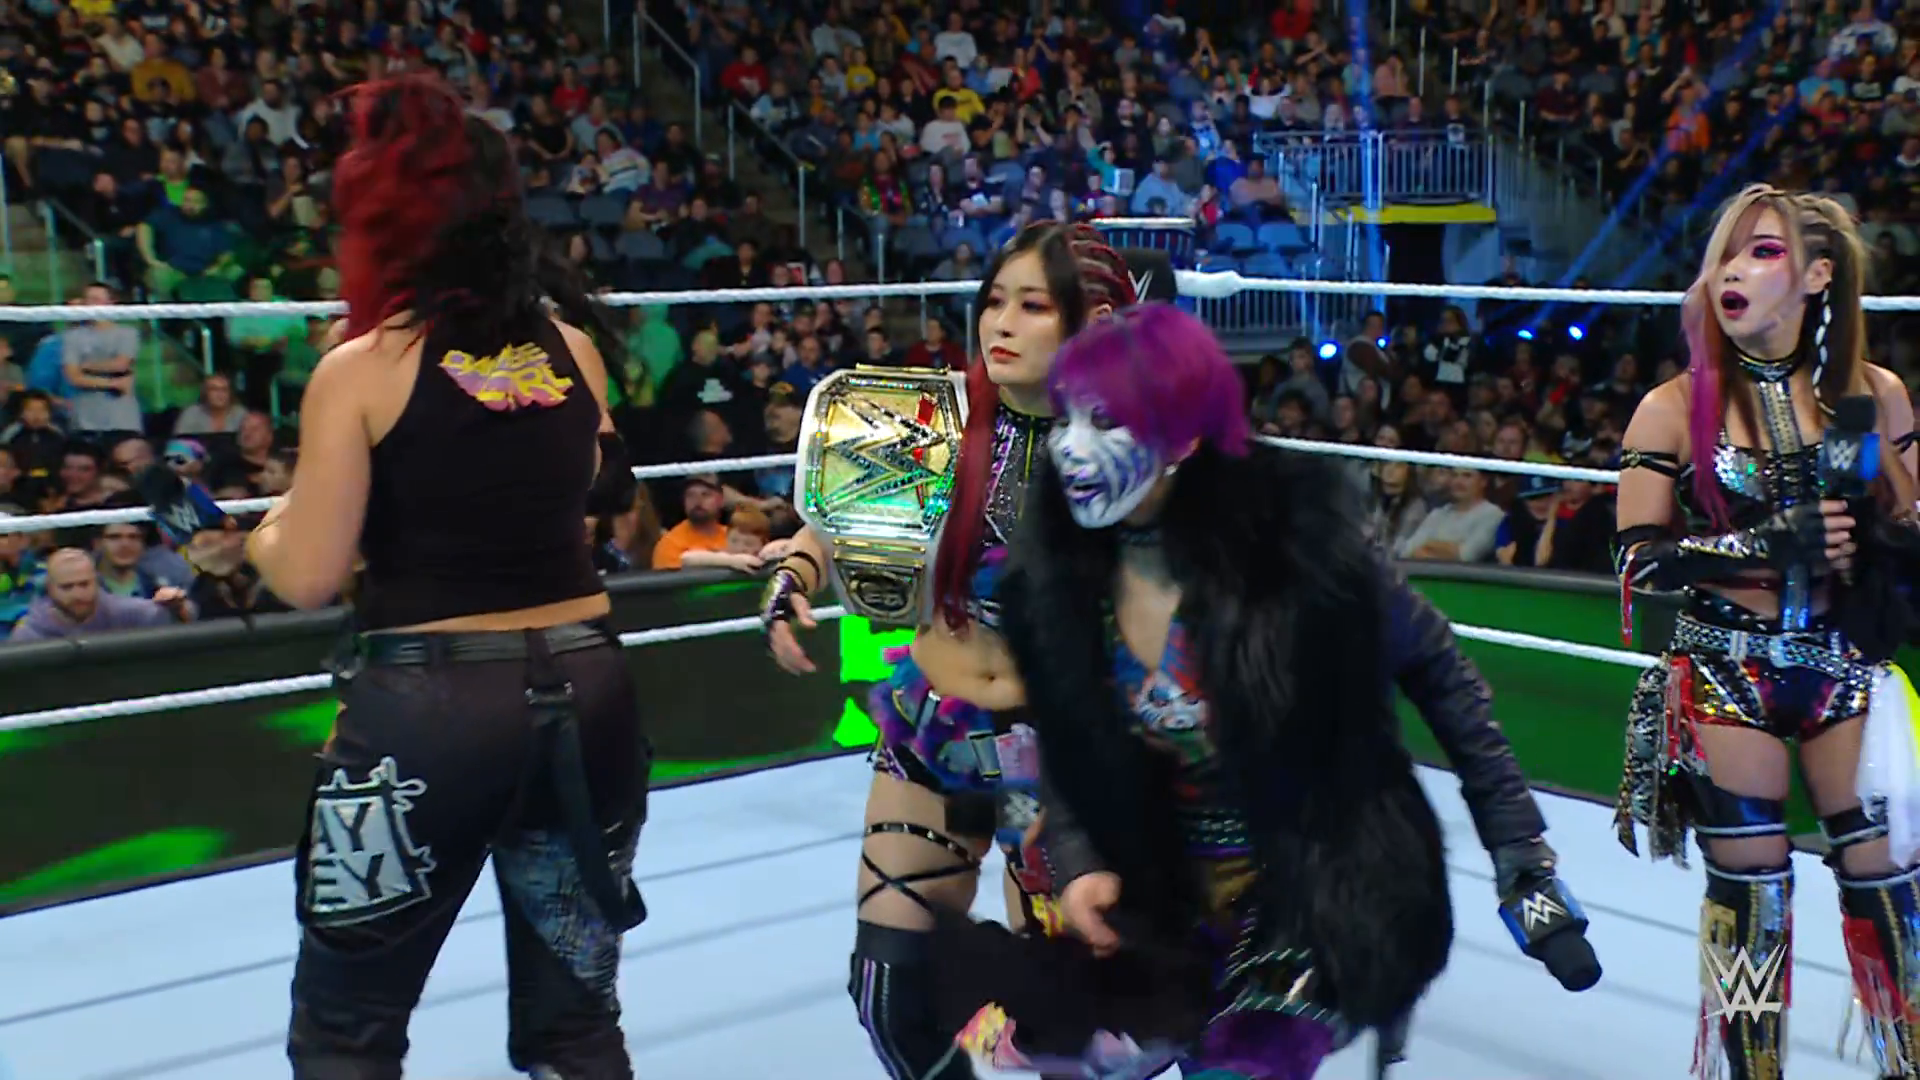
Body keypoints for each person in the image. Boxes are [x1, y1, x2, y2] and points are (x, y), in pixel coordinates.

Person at [930, 304, 1590, 1080]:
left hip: (1313, 881)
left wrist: (1521, 855)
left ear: (1183, 438)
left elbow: (1441, 673)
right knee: (1058, 1042)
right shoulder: (1063, 574)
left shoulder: (1295, 546)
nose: (1070, 447)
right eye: (1067, 417)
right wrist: (1079, 863)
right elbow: (1072, 739)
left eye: (1104, 421)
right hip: (1167, 889)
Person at [232, 74, 649, 1080]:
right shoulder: (572, 349)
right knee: (575, 1024)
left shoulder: (364, 368)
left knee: (346, 1031)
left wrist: (262, 535)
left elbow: (307, 575)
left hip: (433, 712)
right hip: (588, 690)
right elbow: (597, 488)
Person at [761, 222, 1165, 1078]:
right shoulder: (935, 416)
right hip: (937, 728)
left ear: (1093, 323)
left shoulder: (1136, 449)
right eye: (993, 301)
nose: (1000, 324)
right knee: (889, 991)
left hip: (1066, 760)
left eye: (1032, 306)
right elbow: (840, 514)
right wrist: (794, 572)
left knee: (1071, 1025)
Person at [1612, 184, 1920, 1080]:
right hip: (1724, 668)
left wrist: (1883, 529)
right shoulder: (1674, 405)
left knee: (1888, 883)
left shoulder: (1873, 396)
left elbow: (1910, 531)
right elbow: (1635, 564)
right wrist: (1762, 544)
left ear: (1819, 277)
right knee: (1751, 894)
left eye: (1765, 251)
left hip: (1842, 664)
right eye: (1725, 254)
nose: (1733, 272)